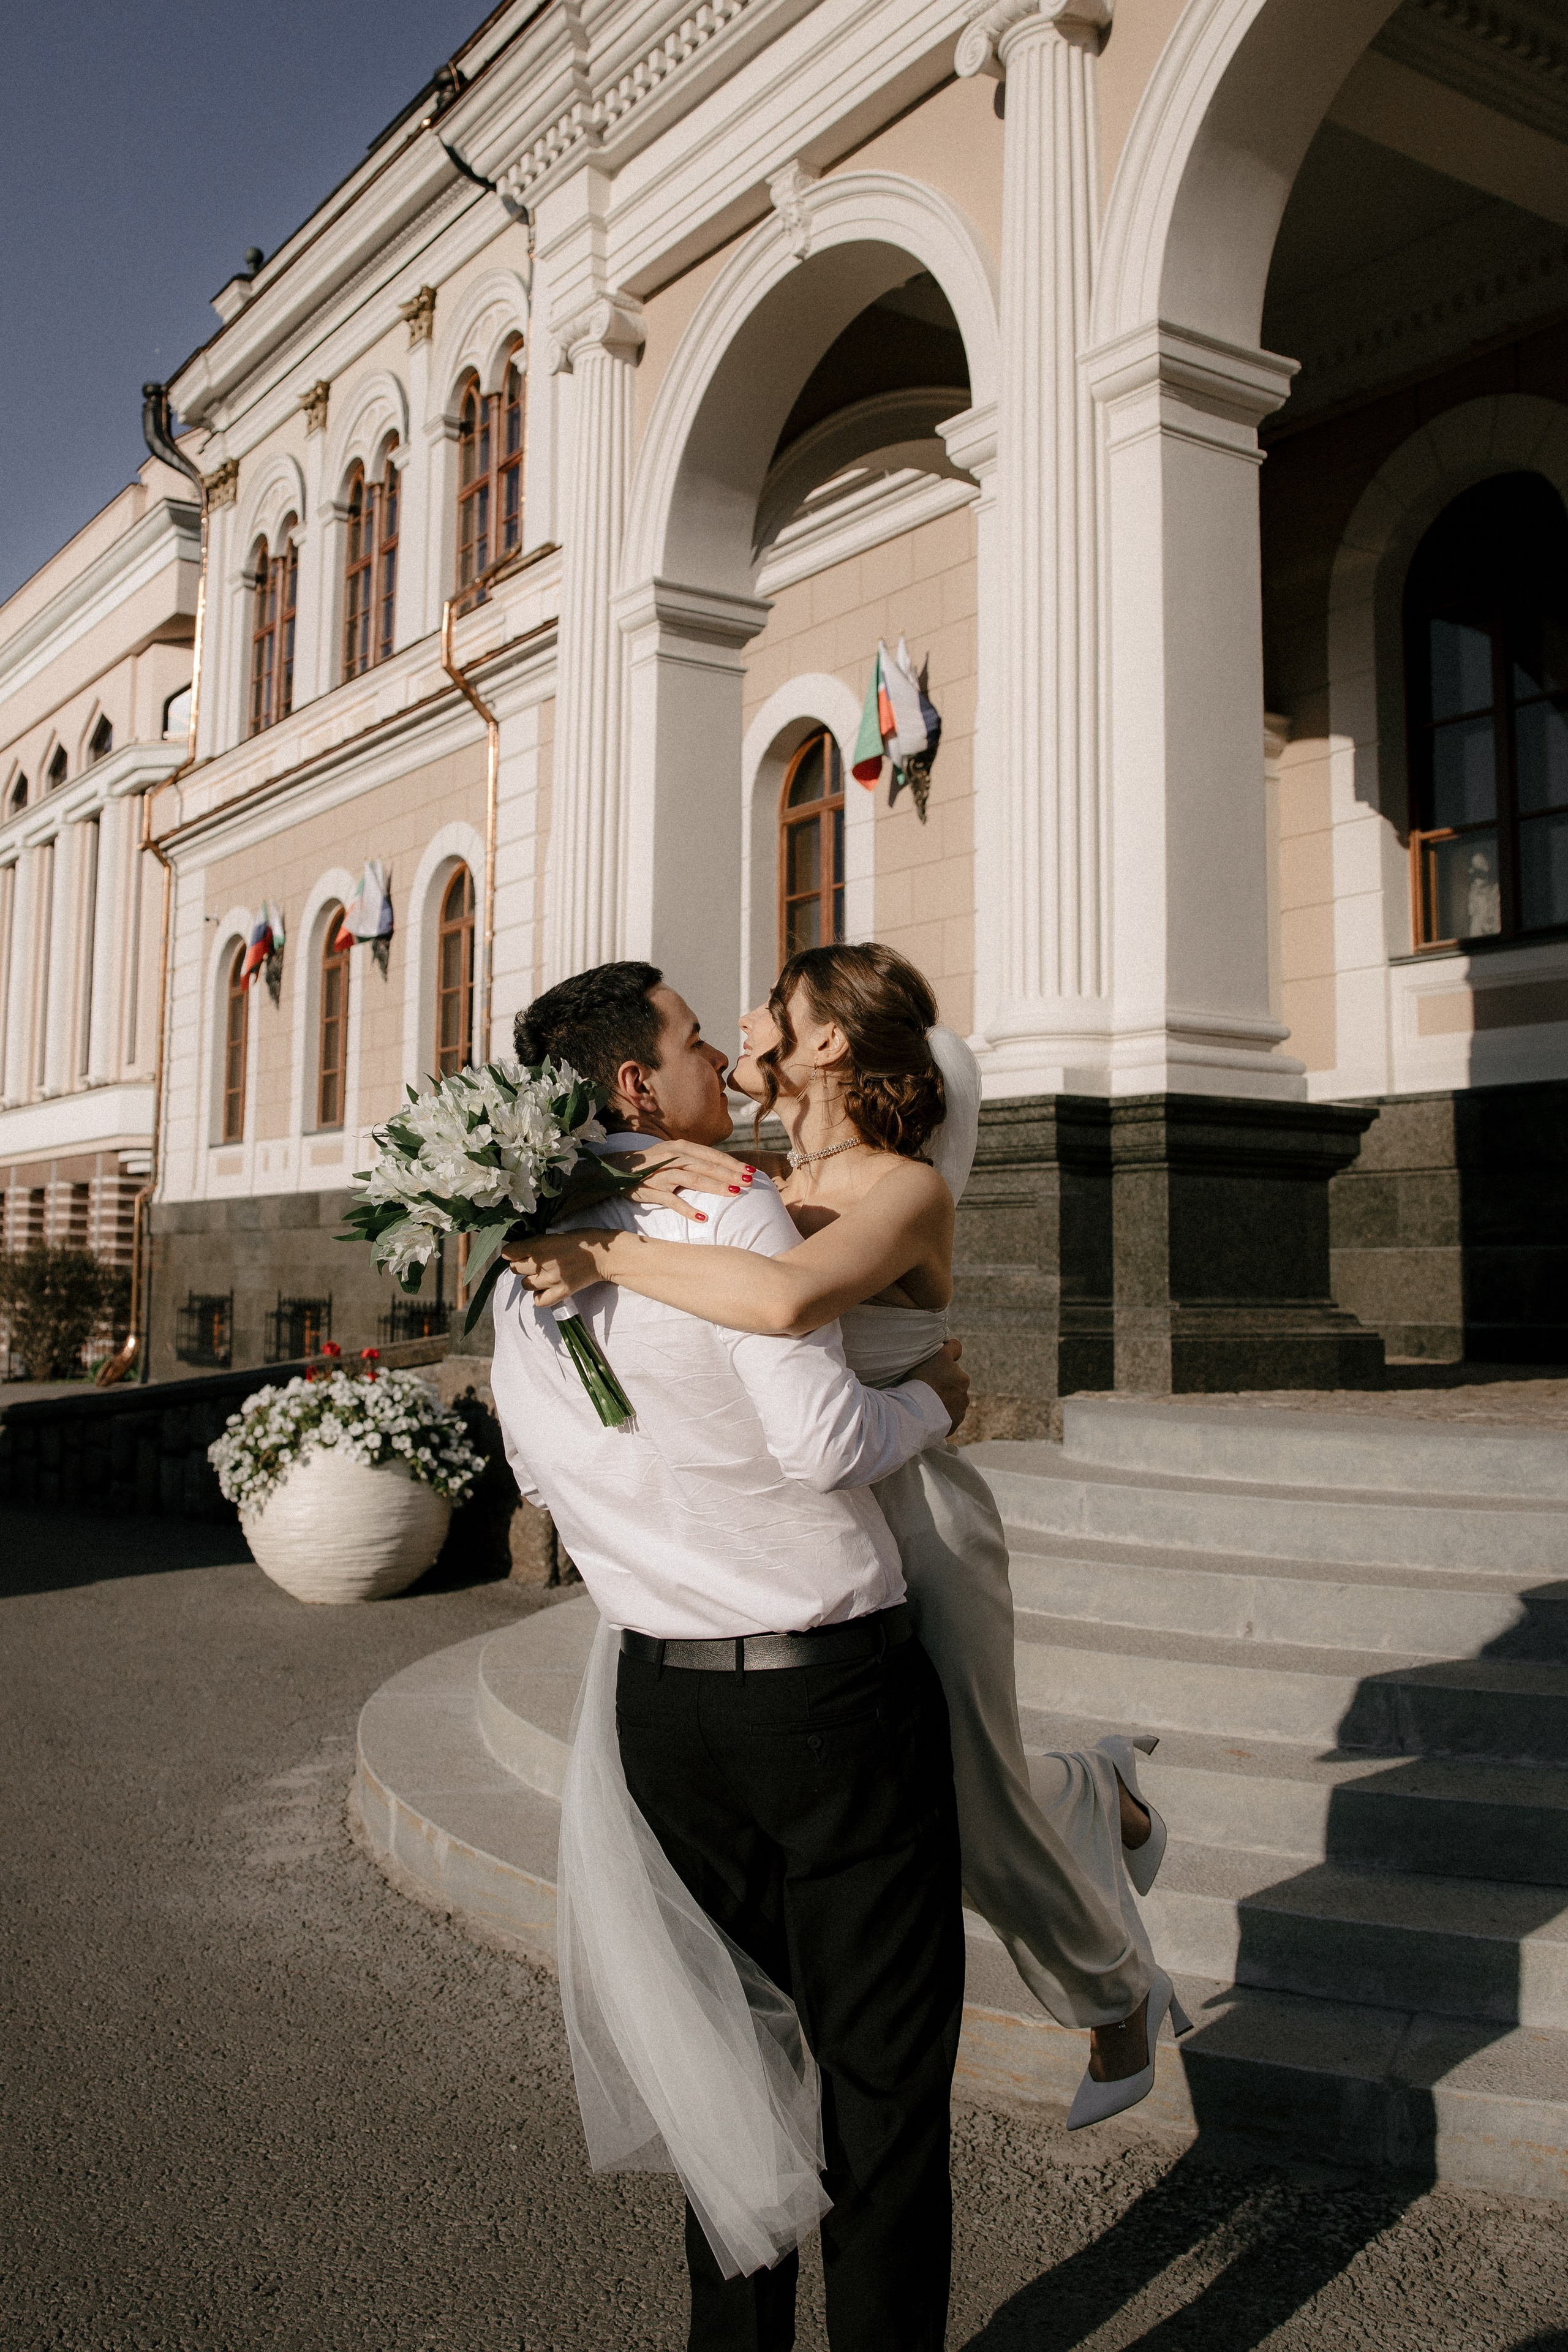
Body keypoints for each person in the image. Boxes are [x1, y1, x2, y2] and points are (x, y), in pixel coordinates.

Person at [508, 942, 1191, 2132]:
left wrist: (611, 1242)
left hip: (917, 1511)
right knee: (947, 1782)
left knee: (968, 1815)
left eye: (774, 1005)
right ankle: (1095, 1790)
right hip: (812, 1527)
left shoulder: (902, 1188)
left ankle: (1115, 1988)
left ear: (826, 1039)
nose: (741, 1020)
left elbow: (779, 1299)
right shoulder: (734, 1174)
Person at [488, 959, 971, 2352]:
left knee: (728, 2062)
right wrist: (930, 1408)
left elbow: (537, 1470)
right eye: (696, 1039)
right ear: (637, 1081)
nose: (719, 1059)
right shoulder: (726, 1203)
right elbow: (824, 1444)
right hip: (824, 1692)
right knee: (877, 2083)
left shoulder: (520, 1250)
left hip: (658, 1702)